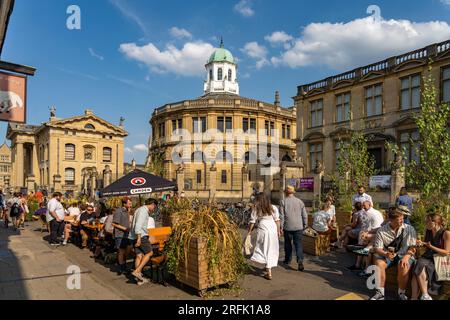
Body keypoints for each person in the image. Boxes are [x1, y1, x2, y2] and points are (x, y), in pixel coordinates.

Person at [370, 208, 417, 300]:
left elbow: (412, 247)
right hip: (389, 255)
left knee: (403, 265)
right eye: (399, 219)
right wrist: (385, 254)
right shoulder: (382, 230)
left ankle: (401, 293)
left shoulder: (409, 229)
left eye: (402, 218)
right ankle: (380, 293)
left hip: (405, 254)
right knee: (379, 264)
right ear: (391, 220)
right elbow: (377, 248)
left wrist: (406, 257)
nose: (401, 221)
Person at [411, 213, 450, 300]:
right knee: (418, 267)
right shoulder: (428, 230)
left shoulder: (446, 233)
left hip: (438, 259)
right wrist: (421, 244)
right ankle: (423, 296)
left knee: (418, 269)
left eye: (428, 221)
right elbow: (426, 245)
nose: (426, 223)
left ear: (435, 222)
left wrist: (430, 246)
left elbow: (446, 252)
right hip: (427, 256)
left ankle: (420, 296)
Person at [247, 193, 281, 280]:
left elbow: (252, 222)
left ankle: (269, 272)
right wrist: (278, 230)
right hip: (272, 228)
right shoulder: (273, 207)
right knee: (271, 248)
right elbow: (277, 220)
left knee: (264, 247)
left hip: (263, 228)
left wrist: (249, 232)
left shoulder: (256, 208)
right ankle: (268, 265)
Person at [129, 198, 159, 285]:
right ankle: (137, 271)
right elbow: (138, 225)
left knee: (139, 255)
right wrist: (139, 237)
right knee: (150, 253)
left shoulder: (139, 209)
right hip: (141, 236)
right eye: (154, 207)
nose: (154, 209)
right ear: (152, 204)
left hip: (134, 236)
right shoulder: (143, 211)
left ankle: (138, 279)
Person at [279, 185, 308, 271]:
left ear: (285, 193)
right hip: (299, 226)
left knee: (288, 244)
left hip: (288, 226)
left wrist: (281, 226)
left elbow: (282, 216)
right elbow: (304, 214)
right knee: (298, 244)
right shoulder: (300, 201)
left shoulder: (283, 201)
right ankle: (300, 260)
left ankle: (288, 260)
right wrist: (305, 224)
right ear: (293, 192)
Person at [112, 198, 133, 275]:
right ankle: (121, 268)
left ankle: (122, 264)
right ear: (124, 204)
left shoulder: (128, 211)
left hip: (127, 234)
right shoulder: (119, 211)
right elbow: (114, 224)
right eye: (129, 203)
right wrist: (125, 229)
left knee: (127, 249)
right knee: (121, 251)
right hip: (120, 234)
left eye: (131, 203)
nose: (131, 205)